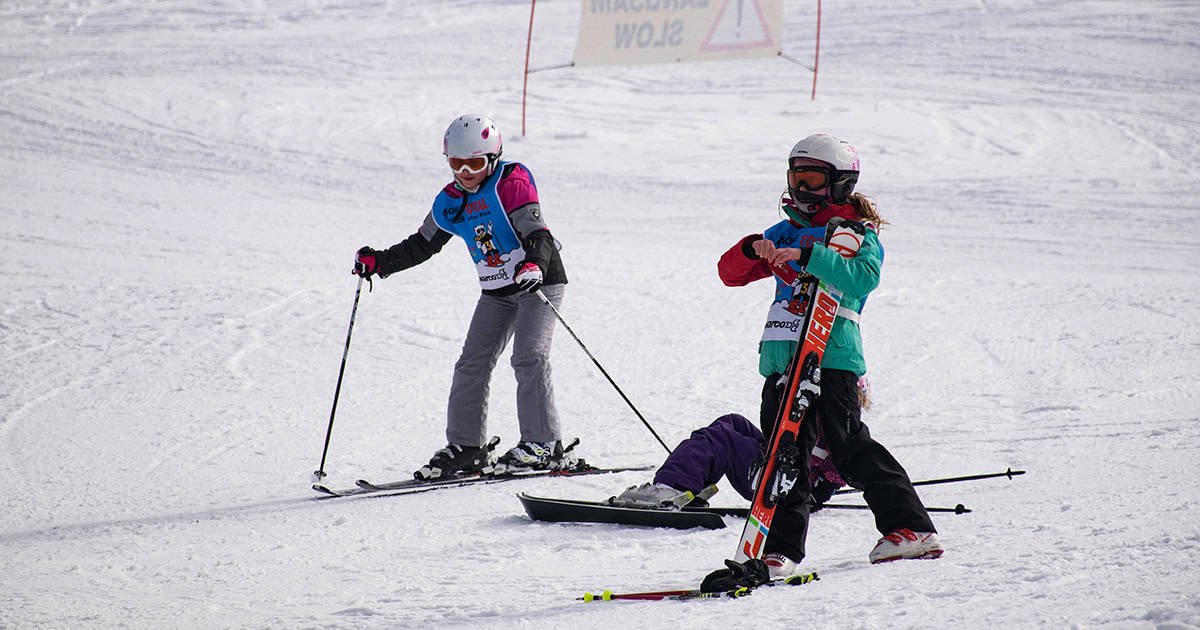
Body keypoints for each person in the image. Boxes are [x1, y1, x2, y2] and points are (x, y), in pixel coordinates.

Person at [710, 133, 942, 581]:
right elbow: (728, 274)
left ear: (840, 183)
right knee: (783, 455)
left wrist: (811, 254)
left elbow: (860, 279)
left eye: (813, 178)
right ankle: (779, 551)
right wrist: (750, 249)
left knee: (847, 445)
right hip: (782, 357)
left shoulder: (854, 234)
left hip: (832, 357)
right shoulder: (785, 231)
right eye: (796, 177)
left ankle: (910, 528)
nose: (801, 188)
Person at [352, 114, 571, 480]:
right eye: (457, 163)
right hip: (497, 292)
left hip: (538, 282)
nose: (466, 171)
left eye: (475, 162)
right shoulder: (450, 200)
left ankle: (543, 444)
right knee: (472, 362)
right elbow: (422, 245)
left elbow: (540, 236)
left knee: (529, 356)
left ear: (493, 158)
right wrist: (379, 263)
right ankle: (468, 447)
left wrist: (533, 264)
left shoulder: (510, 184)